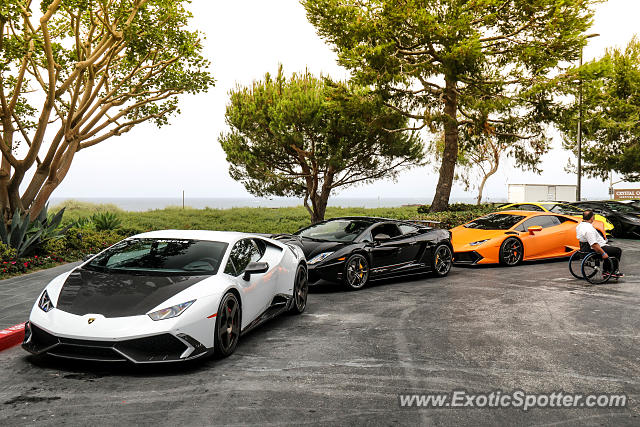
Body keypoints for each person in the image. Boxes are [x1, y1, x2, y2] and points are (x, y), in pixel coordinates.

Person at [576, 210, 623, 278]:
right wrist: (603, 253)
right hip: (595, 249)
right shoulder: (589, 229)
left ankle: (607, 270)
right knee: (617, 251)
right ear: (592, 217)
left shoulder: (580, 226)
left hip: (585, 248)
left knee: (611, 249)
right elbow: (594, 245)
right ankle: (610, 271)